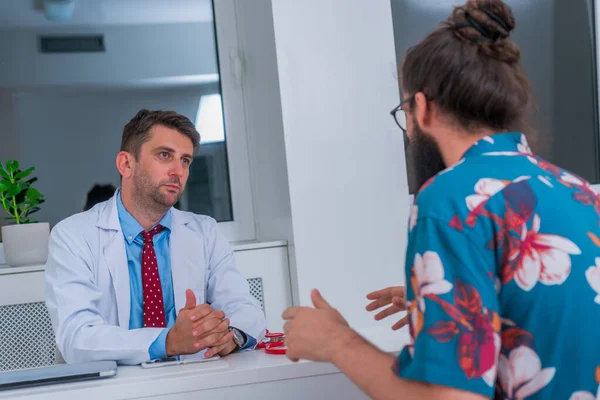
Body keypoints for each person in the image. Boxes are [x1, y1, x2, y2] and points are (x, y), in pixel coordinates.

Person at [282, 1, 600, 399]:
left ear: (422, 107)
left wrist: (335, 342)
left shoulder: (449, 199)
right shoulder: (579, 192)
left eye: (405, 112)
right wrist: (450, 292)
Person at [45, 109, 266, 365]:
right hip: (113, 387)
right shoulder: (72, 236)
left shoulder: (205, 232)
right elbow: (78, 337)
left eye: (185, 160)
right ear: (126, 164)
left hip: (191, 380)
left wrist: (231, 336)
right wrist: (167, 341)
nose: (178, 171)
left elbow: (245, 308)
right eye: (165, 155)